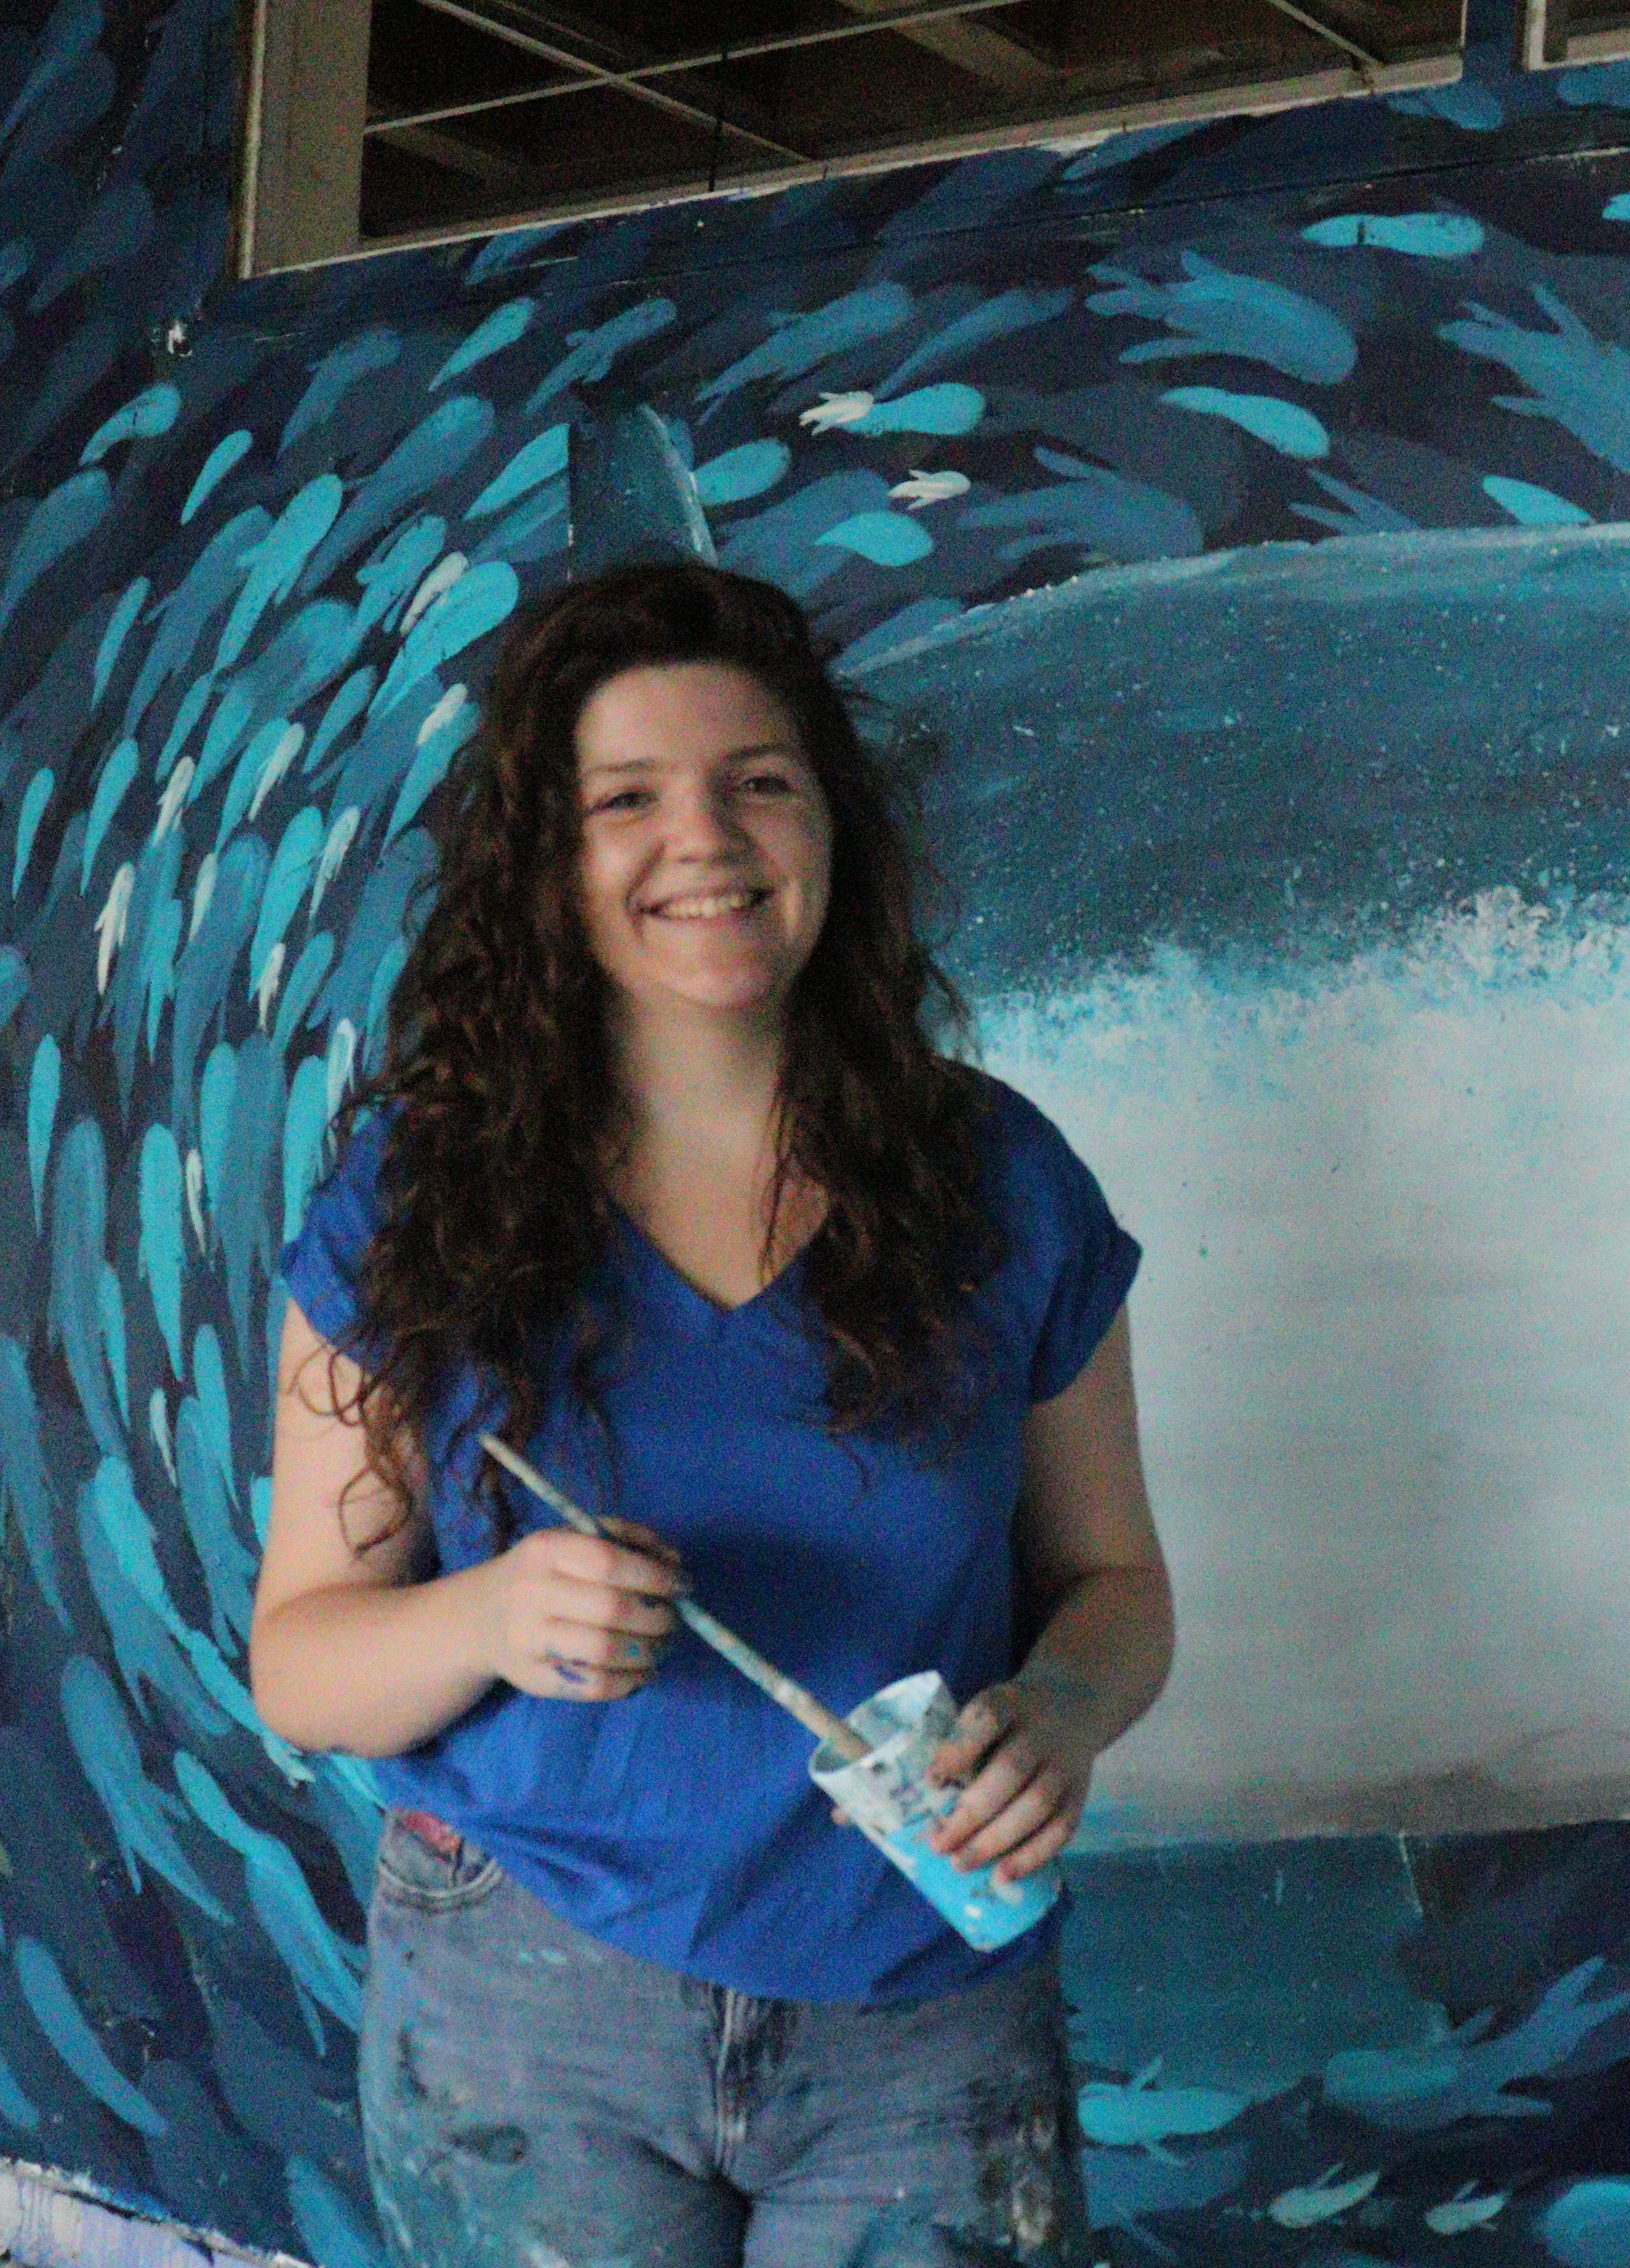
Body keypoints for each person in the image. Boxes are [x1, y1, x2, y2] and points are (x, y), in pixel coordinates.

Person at [250, 561, 1170, 2268]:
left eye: (759, 782)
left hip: (926, 2009)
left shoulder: (1005, 1179)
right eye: (626, 799)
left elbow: (1117, 1587)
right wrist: (489, 1617)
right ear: (547, 862)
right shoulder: (414, 1201)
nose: (706, 840)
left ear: (832, 827)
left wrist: (1060, 1713)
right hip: (523, 2001)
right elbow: (303, 1662)